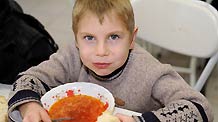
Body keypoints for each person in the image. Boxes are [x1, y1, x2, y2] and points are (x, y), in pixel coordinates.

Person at [8, 0, 213, 122]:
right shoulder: (71, 56)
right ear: (76, 39)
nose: (101, 51)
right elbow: (28, 79)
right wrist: (29, 105)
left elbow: (200, 108)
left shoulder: (150, 72)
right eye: (89, 38)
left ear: (132, 38)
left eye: (114, 37)